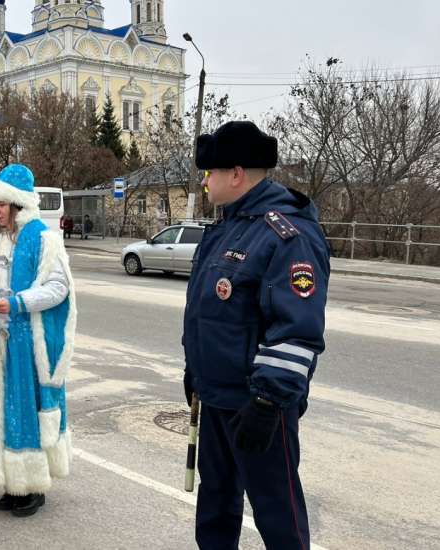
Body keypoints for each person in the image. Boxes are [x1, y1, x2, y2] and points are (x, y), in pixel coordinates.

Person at [182, 121, 330, 550]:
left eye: (210, 172)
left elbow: (297, 330)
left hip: (259, 404)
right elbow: (208, 315)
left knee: (277, 514)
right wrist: (196, 373)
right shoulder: (225, 229)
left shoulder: (287, 235)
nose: (205, 181)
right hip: (216, 398)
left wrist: (267, 402)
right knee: (216, 507)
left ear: (236, 174)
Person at [0, 164, 77, 518]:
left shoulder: (44, 237)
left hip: (26, 343)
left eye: (2, 204)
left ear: (19, 204)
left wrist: (16, 303)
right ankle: (12, 483)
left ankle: (33, 485)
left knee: (24, 410)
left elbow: (59, 288)